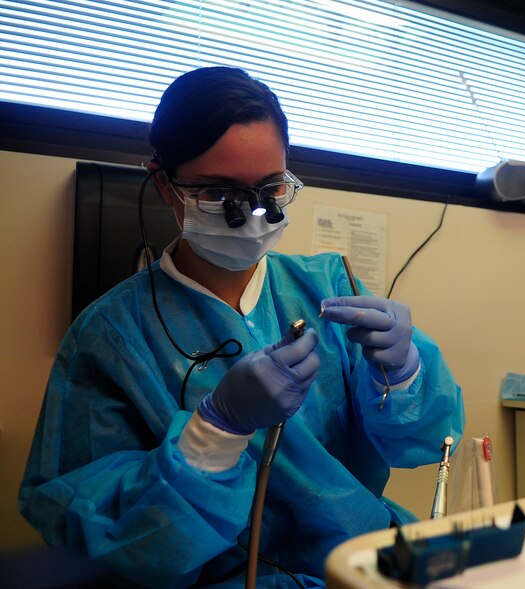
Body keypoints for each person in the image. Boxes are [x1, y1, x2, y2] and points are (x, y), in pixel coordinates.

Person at [19, 66, 465, 589]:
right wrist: (216, 431)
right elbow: (108, 538)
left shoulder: (326, 285)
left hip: (366, 565)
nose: (253, 214)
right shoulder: (111, 338)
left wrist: (406, 373)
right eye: (218, 192)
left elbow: (425, 440)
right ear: (165, 184)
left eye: (270, 187)